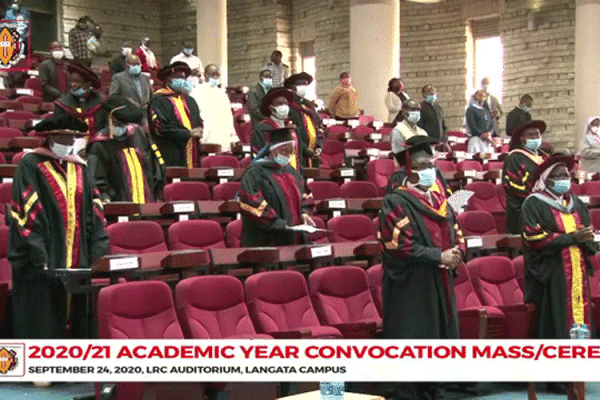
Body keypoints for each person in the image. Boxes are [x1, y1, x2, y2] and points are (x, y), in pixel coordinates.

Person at [8, 113, 109, 339]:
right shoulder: (30, 164)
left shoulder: (79, 167)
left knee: (76, 321)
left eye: (71, 139)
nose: (68, 144)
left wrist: (98, 247)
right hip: (42, 261)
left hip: (77, 257)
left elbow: (95, 206)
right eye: (63, 139)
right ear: (49, 138)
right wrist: (39, 254)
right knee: (41, 322)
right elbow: (26, 209)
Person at [379, 135, 462, 400]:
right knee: (415, 337)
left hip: (439, 278)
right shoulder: (395, 202)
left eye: (431, 164)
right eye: (422, 165)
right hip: (412, 283)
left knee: (439, 337)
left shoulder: (441, 201)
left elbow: (455, 229)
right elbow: (398, 245)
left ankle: (434, 389)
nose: (429, 170)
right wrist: (439, 255)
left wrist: (458, 251)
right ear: (409, 170)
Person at [522, 154, 597, 340]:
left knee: (581, 313)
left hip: (577, 268)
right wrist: (572, 238)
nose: (565, 179)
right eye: (559, 176)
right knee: (558, 321)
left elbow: (587, 229)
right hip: (552, 271)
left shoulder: (576, 203)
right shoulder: (534, 203)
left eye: (567, 175)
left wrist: (586, 237)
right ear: (546, 179)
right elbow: (532, 236)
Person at [238, 127, 315, 247]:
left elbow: (305, 194)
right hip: (265, 242)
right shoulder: (255, 173)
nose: (288, 155)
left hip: (294, 240)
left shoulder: (291, 172)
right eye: (284, 151)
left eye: (291, 151)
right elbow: (251, 202)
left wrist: (304, 213)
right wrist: (279, 224)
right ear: (273, 150)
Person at [87, 96, 157, 203]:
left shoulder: (139, 135)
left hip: (146, 201)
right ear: (108, 120)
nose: (122, 126)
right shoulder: (100, 144)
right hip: (119, 203)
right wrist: (105, 197)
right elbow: (96, 178)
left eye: (124, 123)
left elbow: (153, 167)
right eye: (117, 123)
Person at [149, 62, 203, 168]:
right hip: (171, 151)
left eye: (184, 78)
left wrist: (200, 129)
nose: (182, 81)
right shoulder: (159, 100)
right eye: (178, 77)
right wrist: (187, 133)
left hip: (192, 150)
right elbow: (161, 127)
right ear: (168, 79)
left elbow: (198, 121)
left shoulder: (190, 101)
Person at [502, 120, 548, 234]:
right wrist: (537, 198)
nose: (535, 137)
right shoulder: (515, 158)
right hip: (522, 207)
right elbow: (512, 185)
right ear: (522, 139)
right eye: (530, 135)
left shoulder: (544, 157)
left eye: (537, 134)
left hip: (545, 206)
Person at [54, 62, 103, 153]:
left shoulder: (100, 102)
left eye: (77, 81)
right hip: (70, 148)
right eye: (71, 81)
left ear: (87, 84)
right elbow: (59, 132)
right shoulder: (62, 104)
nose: (73, 84)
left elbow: (103, 127)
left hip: (96, 147)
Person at [190, 64, 237, 153]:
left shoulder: (223, 94)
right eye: (213, 75)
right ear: (206, 75)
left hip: (223, 135)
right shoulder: (196, 92)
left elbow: (229, 116)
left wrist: (232, 137)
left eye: (218, 75)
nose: (216, 77)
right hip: (207, 136)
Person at [252, 87, 301, 171]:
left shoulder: (291, 128)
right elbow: (259, 155)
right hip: (271, 176)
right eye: (279, 103)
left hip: (294, 174)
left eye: (286, 103)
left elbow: (298, 155)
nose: (284, 106)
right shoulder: (262, 128)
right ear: (271, 108)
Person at [284, 72, 323, 168]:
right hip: (298, 153)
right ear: (293, 88)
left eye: (306, 85)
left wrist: (319, 146)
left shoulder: (309, 106)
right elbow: (289, 132)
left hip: (314, 155)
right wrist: (305, 148)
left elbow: (319, 127)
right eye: (301, 84)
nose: (304, 87)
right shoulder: (288, 107)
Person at [109, 54, 152, 124]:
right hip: (128, 117)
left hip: (145, 117)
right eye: (134, 64)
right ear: (127, 65)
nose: (137, 66)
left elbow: (151, 95)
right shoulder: (118, 78)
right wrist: (129, 102)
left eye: (138, 64)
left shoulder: (145, 78)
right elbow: (113, 98)